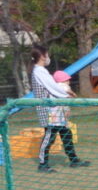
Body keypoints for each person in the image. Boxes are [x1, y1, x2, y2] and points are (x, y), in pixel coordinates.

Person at [30, 45, 89, 173]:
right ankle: (43, 164)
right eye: (47, 54)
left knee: (66, 134)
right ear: (42, 56)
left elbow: (53, 87)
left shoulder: (42, 71)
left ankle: (74, 160)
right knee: (49, 137)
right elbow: (52, 87)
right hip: (49, 111)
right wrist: (66, 94)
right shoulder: (39, 71)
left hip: (57, 111)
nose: (48, 57)